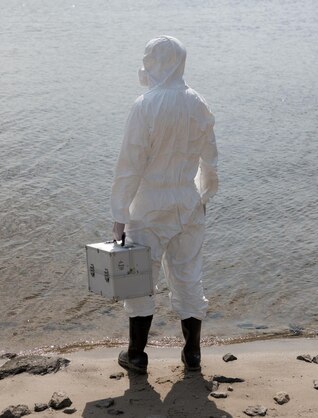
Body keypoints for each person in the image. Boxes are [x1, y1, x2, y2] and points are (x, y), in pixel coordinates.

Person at [111, 35, 219, 373]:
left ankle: (137, 355)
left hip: (148, 205)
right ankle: (193, 355)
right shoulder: (198, 103)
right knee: (188, 277)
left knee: (140, 279)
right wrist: (203, 196)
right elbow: (211, 160)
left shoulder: (144, 105)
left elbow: (130, 166)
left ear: (155, 64)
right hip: (187, 201)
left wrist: (118, 214)